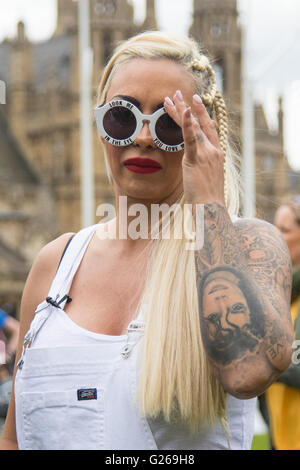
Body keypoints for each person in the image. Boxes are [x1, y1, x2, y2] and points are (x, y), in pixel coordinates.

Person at [0, 31, 294, 450]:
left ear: (203, 131)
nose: (142, 137)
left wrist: (209, 205)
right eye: (122, 117)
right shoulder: (56, 265)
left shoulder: (249, 244)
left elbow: (247, 373)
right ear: (100, 124)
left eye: (169, 123)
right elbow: (14, 439)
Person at [266, 197, 300, 450]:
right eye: (274, 227)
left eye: (285, 230)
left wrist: (260, 359)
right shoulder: (279, 292)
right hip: (280, 437)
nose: (275, 236)